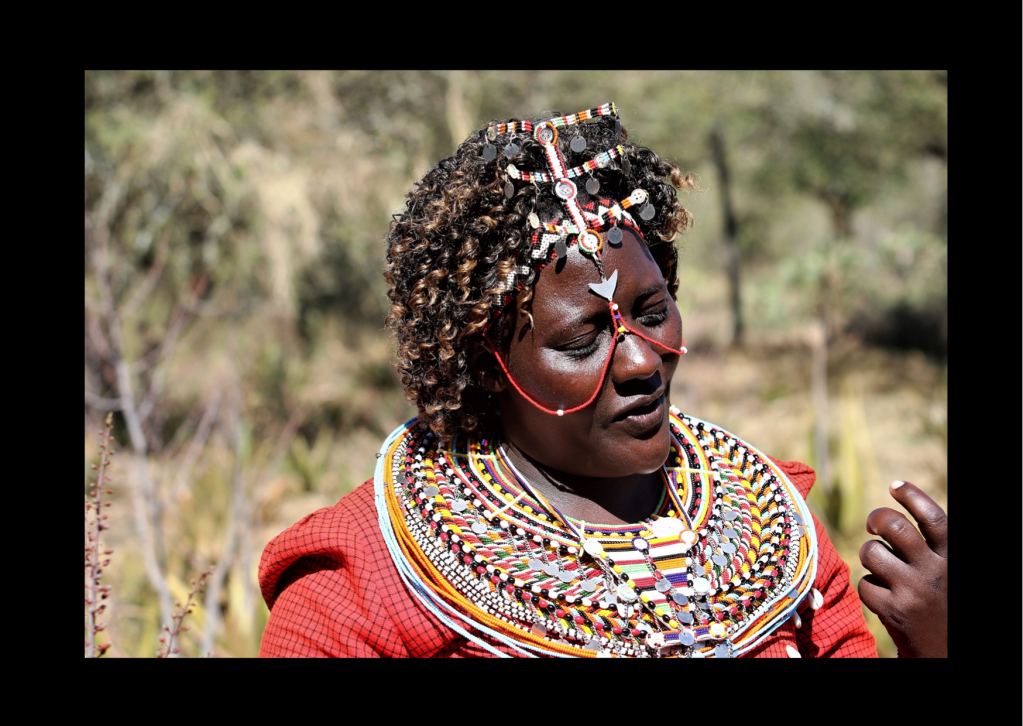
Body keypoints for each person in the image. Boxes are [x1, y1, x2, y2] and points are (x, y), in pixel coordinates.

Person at [258, 104, 947, 658]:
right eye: (580, 340)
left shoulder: (772, 529)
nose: (641, 361)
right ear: (486, 365)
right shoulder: (360, 586)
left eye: (652, 312)